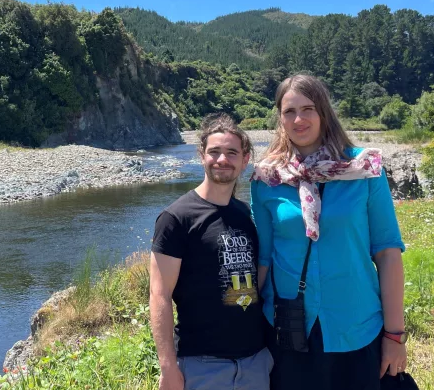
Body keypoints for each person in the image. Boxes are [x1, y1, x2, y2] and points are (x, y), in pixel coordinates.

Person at [251, 74, 408, 390]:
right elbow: (263, 260)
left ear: (324, 112)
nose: (299, 119)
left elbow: (388, 253)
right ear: (280, 118)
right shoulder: (266, 179)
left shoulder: (364, 170)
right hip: (288, 328)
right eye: (289, 111)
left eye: (308, 109)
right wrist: (242, 326)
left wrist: (394, 335)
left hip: (356, 323)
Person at [149, 113, 273, 390]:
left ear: (245, 159)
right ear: (201, 156)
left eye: (231, 152)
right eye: (214, 152)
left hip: (255, 362)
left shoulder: (247, 215)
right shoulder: (176, 218)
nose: (222, 159)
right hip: (201, 365)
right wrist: (167, 367)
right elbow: (160, 295)